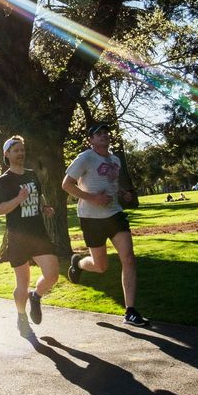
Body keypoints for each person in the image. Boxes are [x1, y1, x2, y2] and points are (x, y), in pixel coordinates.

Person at [62, 122, 148, 326]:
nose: (103, 136)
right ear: (90, 140)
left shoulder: (115, 160)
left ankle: (130, 311)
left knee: (128, 258)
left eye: (105, 133)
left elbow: (111, 184)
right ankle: (78, 263)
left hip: (114, 214)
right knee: (100, 266)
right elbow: (66, 185)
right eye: (98, 134)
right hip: (91, 218)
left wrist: (122, 194)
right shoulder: (85, 158)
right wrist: (92, 198)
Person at [0, 136, 58, 329]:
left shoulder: (31, 174)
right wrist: (18, 199)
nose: (20, 153)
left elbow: (39, 195)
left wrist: (45, 207)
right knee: (23, 282)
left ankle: (36, 296)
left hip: (38, 234)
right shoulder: (4, 181)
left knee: (52, 275)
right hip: (18, 237)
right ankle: (21, 316)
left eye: (22, 150)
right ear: (7, 154)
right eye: (16, 151)